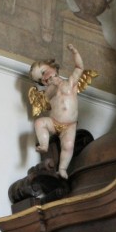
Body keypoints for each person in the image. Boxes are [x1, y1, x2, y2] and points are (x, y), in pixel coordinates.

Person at [28, 43, 86, 178]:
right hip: (54, 122)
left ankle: (63, 168)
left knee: (68, 146)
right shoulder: (49, 91)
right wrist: (48, 88)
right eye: (40, 79)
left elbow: (79, 67)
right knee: (39, 123)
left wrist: (74, 51)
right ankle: (44, 144)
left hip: (70, 125)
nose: (43, 78)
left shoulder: (70, 82)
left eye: (43, 72)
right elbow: (42, 102)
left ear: (52, 67)